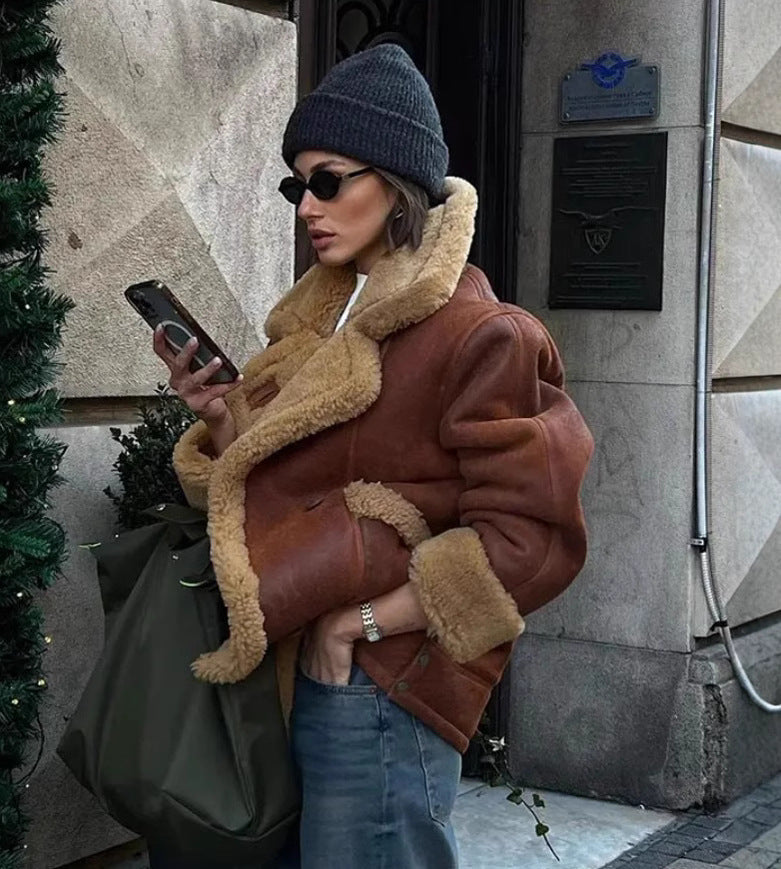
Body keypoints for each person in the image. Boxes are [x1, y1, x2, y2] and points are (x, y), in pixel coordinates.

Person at [152, 44, 593, 869]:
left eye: (327, 180)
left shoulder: (484, 334)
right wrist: (219, 416)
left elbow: (532, 540)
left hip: (384, 679)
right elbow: (283, 488)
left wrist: (359, 622)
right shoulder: (326, 327)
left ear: (393, 183)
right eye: (296, 186)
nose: (306, 206)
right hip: (297, 671)